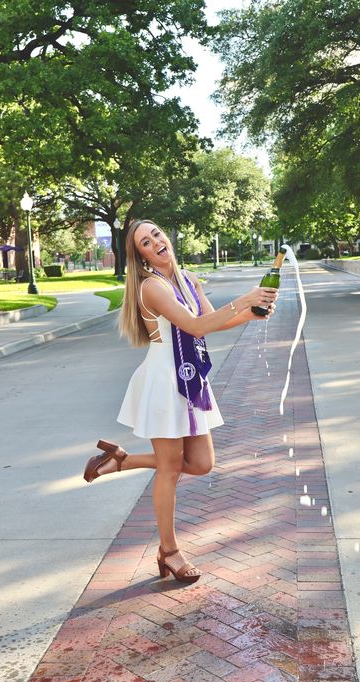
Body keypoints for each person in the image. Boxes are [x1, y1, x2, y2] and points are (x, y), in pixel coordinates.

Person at [83, 220, 278, 583]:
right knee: (170, 469)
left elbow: (209, 321)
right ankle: (169, 552)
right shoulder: (151, 287)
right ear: (140, 256)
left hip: (189, 377)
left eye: (156, 234)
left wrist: (251, 313)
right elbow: (194, 327)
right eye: (145, 241)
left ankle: (120, 460)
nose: (155, 241)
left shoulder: (188, 278)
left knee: (201, 463)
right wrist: (244, 298)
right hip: (163, 381)